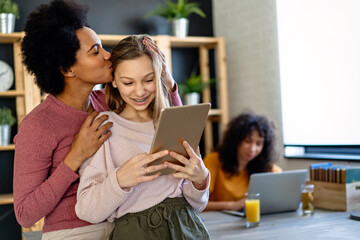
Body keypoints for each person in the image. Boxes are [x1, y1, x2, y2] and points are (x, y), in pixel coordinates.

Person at [13, 0, 181, 239]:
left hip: (124, 226)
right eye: (95, 52)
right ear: (67, 69)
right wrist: (75, 157)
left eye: (102, 47)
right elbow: (25, 214)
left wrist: (166, 78)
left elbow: (172, 128)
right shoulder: (39, 124)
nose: (107, 56)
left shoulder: (108, 101)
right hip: (74, 232)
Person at [75, 35, 210, 240]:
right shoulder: (104, 127)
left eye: (149, 80)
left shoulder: (174, 121)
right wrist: (120, 180)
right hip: (135, 231)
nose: (140, 91)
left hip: (186, 225)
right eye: (128, 82)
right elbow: (86, 210)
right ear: (114, 81)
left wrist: (200, 180)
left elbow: (198, 204)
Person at [204, 112, 282, 211]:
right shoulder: (213, 160)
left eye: (258, 144)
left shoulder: (265, 166)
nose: (252, 149)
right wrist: (232, 206)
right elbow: (196, 204)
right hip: (216, 221)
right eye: (247, 141)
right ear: (236, 140)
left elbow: (280, 183)